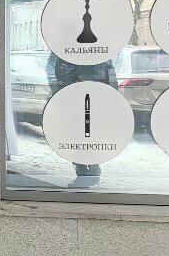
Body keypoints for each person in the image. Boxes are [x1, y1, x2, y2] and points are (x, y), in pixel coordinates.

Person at [46, 52, 117, 187]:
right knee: (75, 135)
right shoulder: (64, 50)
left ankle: (91, 169)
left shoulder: (94, 52)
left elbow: (109, 72)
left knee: (88, 133)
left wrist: (113, 97)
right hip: (74, 96)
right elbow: (53, 70)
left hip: (90, 96)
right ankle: (85, 171)